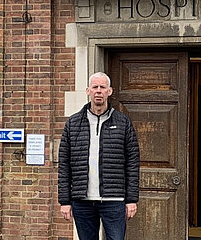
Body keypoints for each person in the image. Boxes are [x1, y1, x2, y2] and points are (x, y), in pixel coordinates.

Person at [58, 72, 140, 240]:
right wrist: (65, 202)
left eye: (102, 87)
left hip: (114, 200)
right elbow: (64, 165)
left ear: (109, 91)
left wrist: (131, 199)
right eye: (95, 87)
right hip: (82, 200)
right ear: (88, 91)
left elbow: (132, 163)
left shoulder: (123, 122)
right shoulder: (73, 124)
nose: (98, 91)